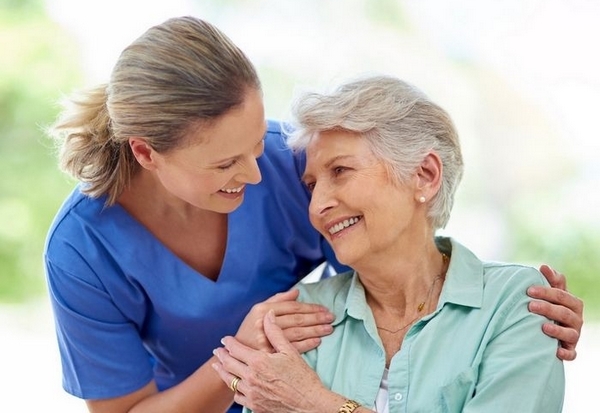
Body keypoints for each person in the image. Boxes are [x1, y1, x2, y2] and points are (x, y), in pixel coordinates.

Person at [43, 16, 581, 413]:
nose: (257, 176)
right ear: (145, 154)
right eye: (227, 162)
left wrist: (508, 306)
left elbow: (398, 243)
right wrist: (242, 358)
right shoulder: (82, 248)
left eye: (257, 143)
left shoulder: (289, 165)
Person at [212, 75, 567, 412]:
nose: (317, 207)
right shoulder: (300, 318)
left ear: (424, 176)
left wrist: (316, 403)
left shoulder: (516, 304)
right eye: (311, 185)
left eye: (340, 171)